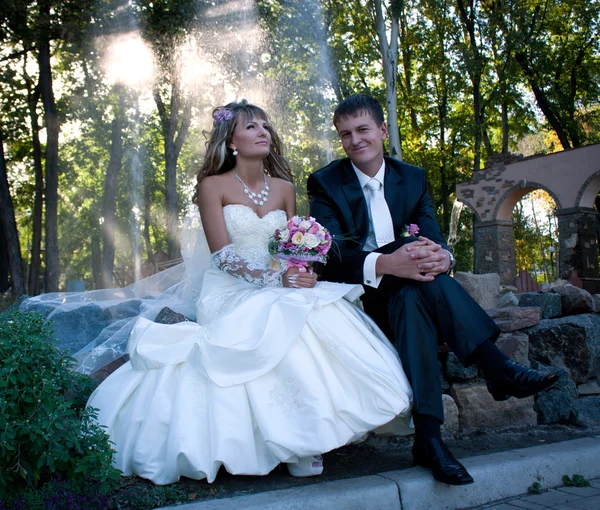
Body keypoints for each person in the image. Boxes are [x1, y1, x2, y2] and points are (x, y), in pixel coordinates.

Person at [85, 100, 413, 485]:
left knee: (316, 308)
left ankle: (308, 438)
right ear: (232, 141)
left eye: (265, 126)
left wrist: (301, 273)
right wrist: (279, 282)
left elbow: (296, 248)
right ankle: (296, 444)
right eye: (251, 126)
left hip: (278, 282)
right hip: (228, 290)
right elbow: (222, 256)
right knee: (281, 312)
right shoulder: (213, 185)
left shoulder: (285, 188)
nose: (262, 131)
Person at [307, 94, 563, 486]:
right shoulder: (325, 182)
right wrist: (388, 262)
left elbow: (433, 241)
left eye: (362, 130)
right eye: (345, 135)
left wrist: (443, 258)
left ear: (381, 130)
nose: (355, 140)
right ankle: (495, 366)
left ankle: (429, 439)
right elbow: (332, 255)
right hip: (359, 296)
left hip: (411, 292)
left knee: (413, 298)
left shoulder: (412, 177)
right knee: (402, 257)